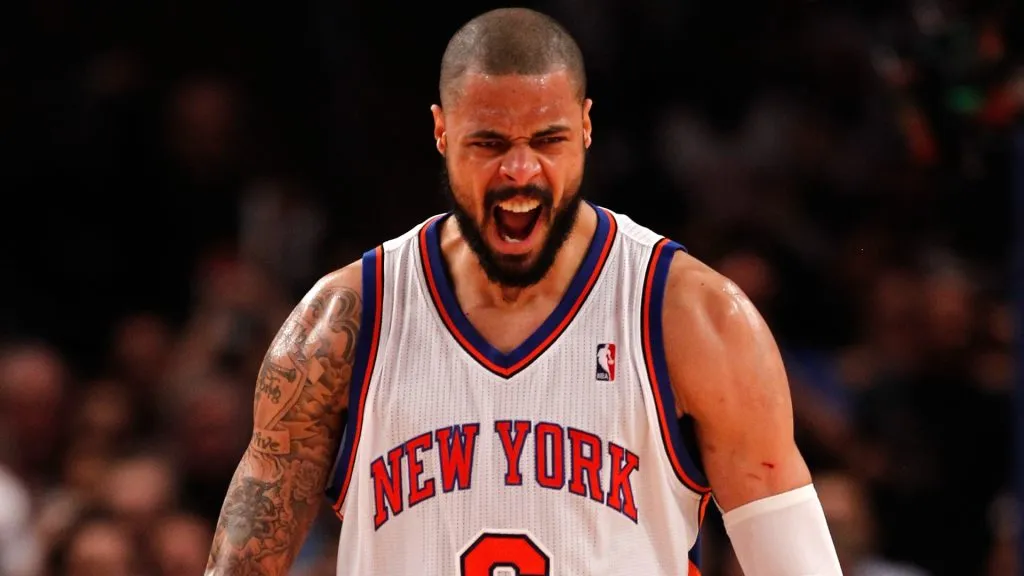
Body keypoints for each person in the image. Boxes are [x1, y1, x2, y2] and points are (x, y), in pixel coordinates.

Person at [205, 7, 842, 576]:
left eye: (547, 140)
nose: (519, 170)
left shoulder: (694, 318)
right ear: (442, 132)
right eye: (489, 142)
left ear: (587, 127)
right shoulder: (345, 322)